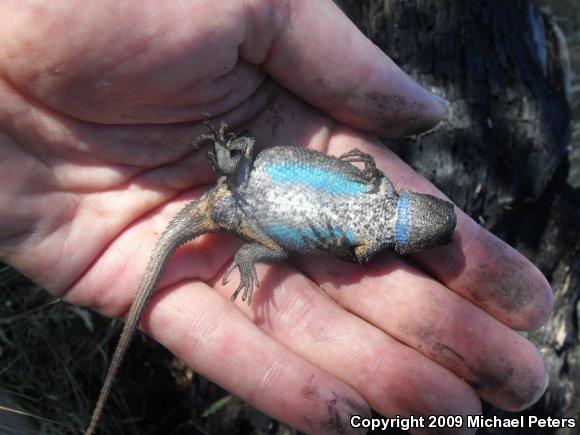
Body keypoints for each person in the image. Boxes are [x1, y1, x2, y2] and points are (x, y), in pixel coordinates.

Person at [0, 1, 553, 434]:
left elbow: (359, 171)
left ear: (422, 207)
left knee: (257, 197)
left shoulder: (375, 187)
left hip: (241, 182)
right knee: (272, 237)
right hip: (245, 204)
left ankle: (239, 224)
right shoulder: (368, 246)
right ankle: (246, 252)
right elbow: (347, 245)